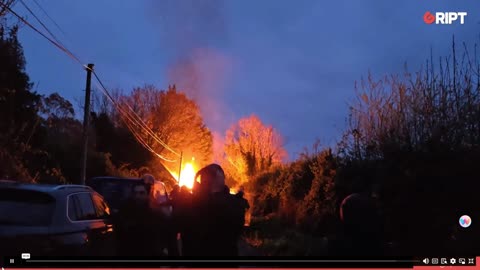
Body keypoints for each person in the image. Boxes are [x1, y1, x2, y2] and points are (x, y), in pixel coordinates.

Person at [178, 164, 245, 256]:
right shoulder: (235, 203)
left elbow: (184, 235)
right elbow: (238, 230)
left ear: (203, 181)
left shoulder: (190, 204)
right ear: (222, 180)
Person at [116, 182, 160, 256]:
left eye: (141, 193)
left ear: (147, 194)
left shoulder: (154, 214)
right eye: (135, 193)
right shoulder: (125, 212)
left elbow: (156, 240)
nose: (138, 196)